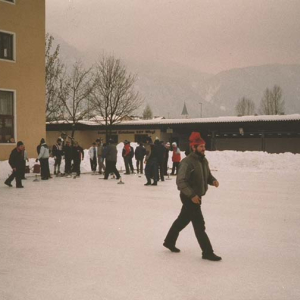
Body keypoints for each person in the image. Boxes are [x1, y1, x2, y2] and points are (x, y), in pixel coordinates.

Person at [163, 132, 222, 261]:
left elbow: (207, 176)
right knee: (199, 225)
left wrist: (213, 181)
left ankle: (169, 241)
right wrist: (192, 195)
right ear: (193, 147)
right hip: (189, 196)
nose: (203, 149)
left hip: (197, 196)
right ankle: (207, 252)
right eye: (200, 147)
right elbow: (181, 181)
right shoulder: (187, 162)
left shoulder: (203, 160)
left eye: (204, 146)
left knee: (182, 220)